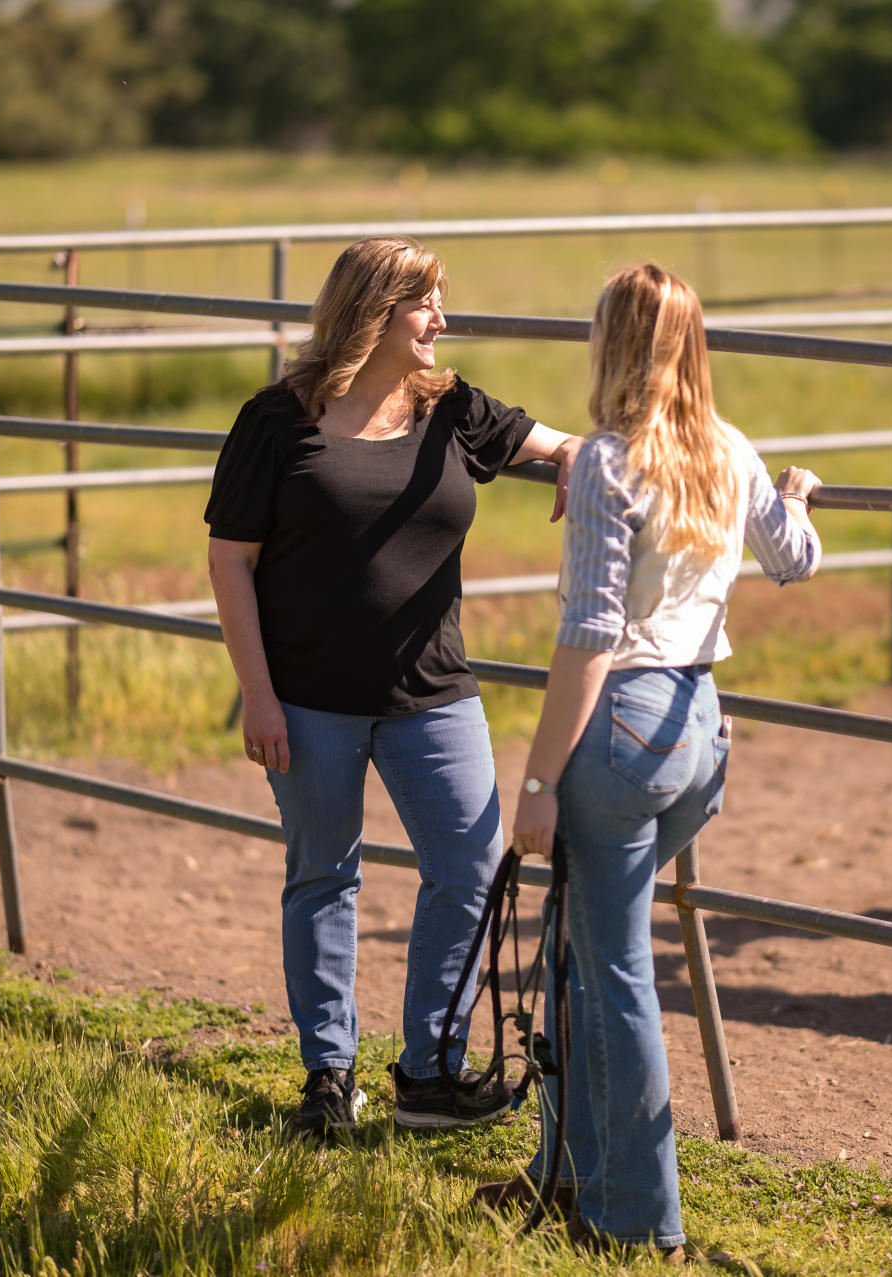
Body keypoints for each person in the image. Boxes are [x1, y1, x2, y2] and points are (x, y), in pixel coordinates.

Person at [204, 236, 584, 1137]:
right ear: (374, 311)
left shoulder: (454, 410)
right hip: (304, 698)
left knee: (470, 867)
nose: (442, 321)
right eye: (426, 303)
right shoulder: (275, 420)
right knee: (323, 876)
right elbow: (231, 561)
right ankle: (328, 1078)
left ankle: (429, 1070)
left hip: (434, 692)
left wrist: (574, 461)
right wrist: (256, 693)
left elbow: (566, 442)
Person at [485, 264, 821, 1259]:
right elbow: (792, 558)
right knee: (583, 950)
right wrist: (796, 493)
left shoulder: (605, 461)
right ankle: (572, 1171)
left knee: (616, 968)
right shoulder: (731, 449)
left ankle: (639, 1219)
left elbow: (589, 637)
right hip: (699, 733)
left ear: (612, 344)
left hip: (621, 726)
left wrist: (539, 783)